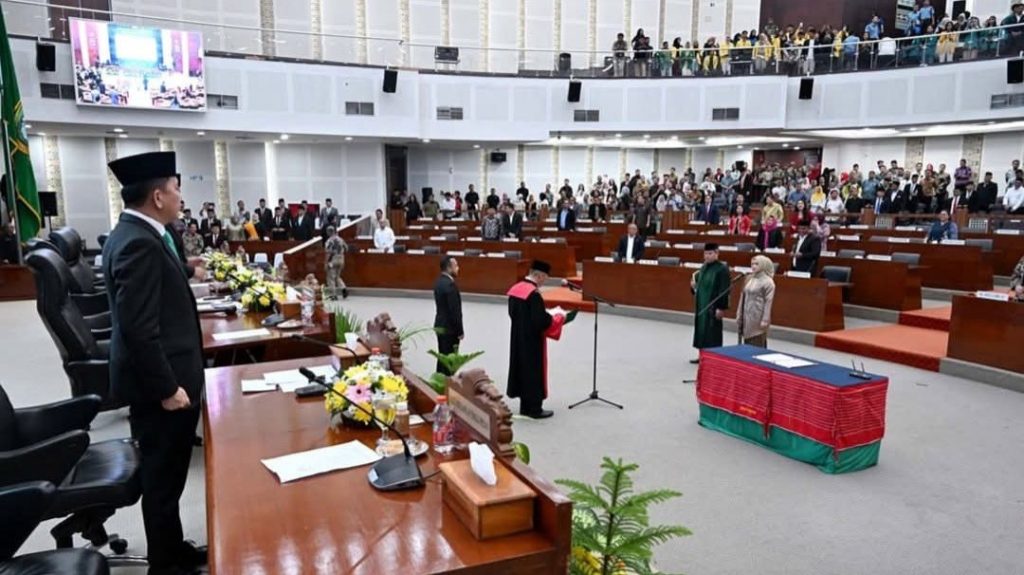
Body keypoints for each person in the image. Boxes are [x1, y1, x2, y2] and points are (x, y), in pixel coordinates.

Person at [102, 151, 207, 575]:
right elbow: (138, 329)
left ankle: (172, 549)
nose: (181, 196)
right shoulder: (139, 243)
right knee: (162, 480)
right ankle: (165, 566)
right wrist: (167, 388)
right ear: (158, 196)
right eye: (176, 188)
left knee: (169, 478)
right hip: (161, 388)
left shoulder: (137, 233)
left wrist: (186, 268)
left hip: (166, 377)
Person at [506, 260, 569, 418]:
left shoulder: (515, 290)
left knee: (521, 369)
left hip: (518, 337)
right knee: (533, 371)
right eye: (545, 278)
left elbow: (512, 314)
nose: (544, 282)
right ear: (539, 276)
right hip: (532, 341)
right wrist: (556, 317)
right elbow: (540, 321)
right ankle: (534, 409)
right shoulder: (533, 294)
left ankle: (524, 407)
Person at [690, 243, 731, 364]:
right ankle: (702, 355)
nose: (707, 256)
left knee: (712, 332)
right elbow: (699, 284)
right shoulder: (704, 267)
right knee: (701, 331)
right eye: (705, 253)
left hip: (713, 306)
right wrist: (693, 286)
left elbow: (724, 290)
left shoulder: (722, 269)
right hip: (701, 305)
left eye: (710, 253)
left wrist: (721, 307)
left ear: (717, 253)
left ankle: (713, 358)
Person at [737, 255, 776, 348]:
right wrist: (739, 314)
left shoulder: (768, 282)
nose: (753, 266)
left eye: (756, 264)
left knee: (757, 341)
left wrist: (765, 319)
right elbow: (742, 297)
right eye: (752, 264)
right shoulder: (749, 278)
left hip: (758, 316)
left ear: (763, 264)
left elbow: (768, 302)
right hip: (747, 315)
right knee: (746, 342)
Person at [433, 255, 464, 375]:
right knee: (449, 362)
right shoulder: (450, 285)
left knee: (442, 358)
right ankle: (447, 383)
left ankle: (437, 381)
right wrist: (460, 331)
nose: (458, 268)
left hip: (440, 326)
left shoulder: (439, 282)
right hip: (450, 329)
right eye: (456, 266)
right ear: (449, 268)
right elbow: (454, 311)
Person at [324, 226, 348, 299]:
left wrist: (326, 263)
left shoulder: (329, 241)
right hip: (341, 259)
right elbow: (346, 248)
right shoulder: (341, 239)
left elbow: (328, 253)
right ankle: (343, 288)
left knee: (330, 277)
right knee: (338, 276)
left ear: (329, 232)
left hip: (333, 260)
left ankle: (333, 295)